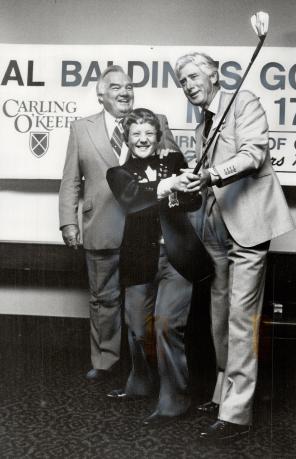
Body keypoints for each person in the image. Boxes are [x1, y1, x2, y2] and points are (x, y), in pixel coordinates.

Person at [174, 52, 295, 440]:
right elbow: (207, 177)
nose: (189, 85)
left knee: (241, 318)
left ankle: (237, 415)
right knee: (220, 316)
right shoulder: (202, 123)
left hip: (248, 225)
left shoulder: (244, 101)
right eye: (182, 81)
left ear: (214, 75)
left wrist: (210, 174)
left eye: (193, 76)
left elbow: (253, 154)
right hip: (215, 228)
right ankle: (222, 395)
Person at [58, 65, 180, 382]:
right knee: (104, 299)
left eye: (128, 86)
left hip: (150, 230)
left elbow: (176, 169)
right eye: (115, 87)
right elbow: (71, 180)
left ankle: (145, 366)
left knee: (146, 302)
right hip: (102, 225)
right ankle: (105, 361)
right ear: (101, 94)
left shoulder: (155, 123)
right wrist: (68, 222)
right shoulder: (80, 129)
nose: (124, 92)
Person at [106, 108, 213, 425]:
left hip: (178, 258)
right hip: (139, 260)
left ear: (157, 138)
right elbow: (133, 199)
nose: (142, 139)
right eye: (136, 134)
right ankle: (140, 383)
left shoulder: (175, 164)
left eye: (148, 134)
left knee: (167, 325)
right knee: (137, 328)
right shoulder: (118, 173)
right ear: (127, 139)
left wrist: (186, 187)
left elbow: (193, 202)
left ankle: (174, 401)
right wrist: (167, 187)